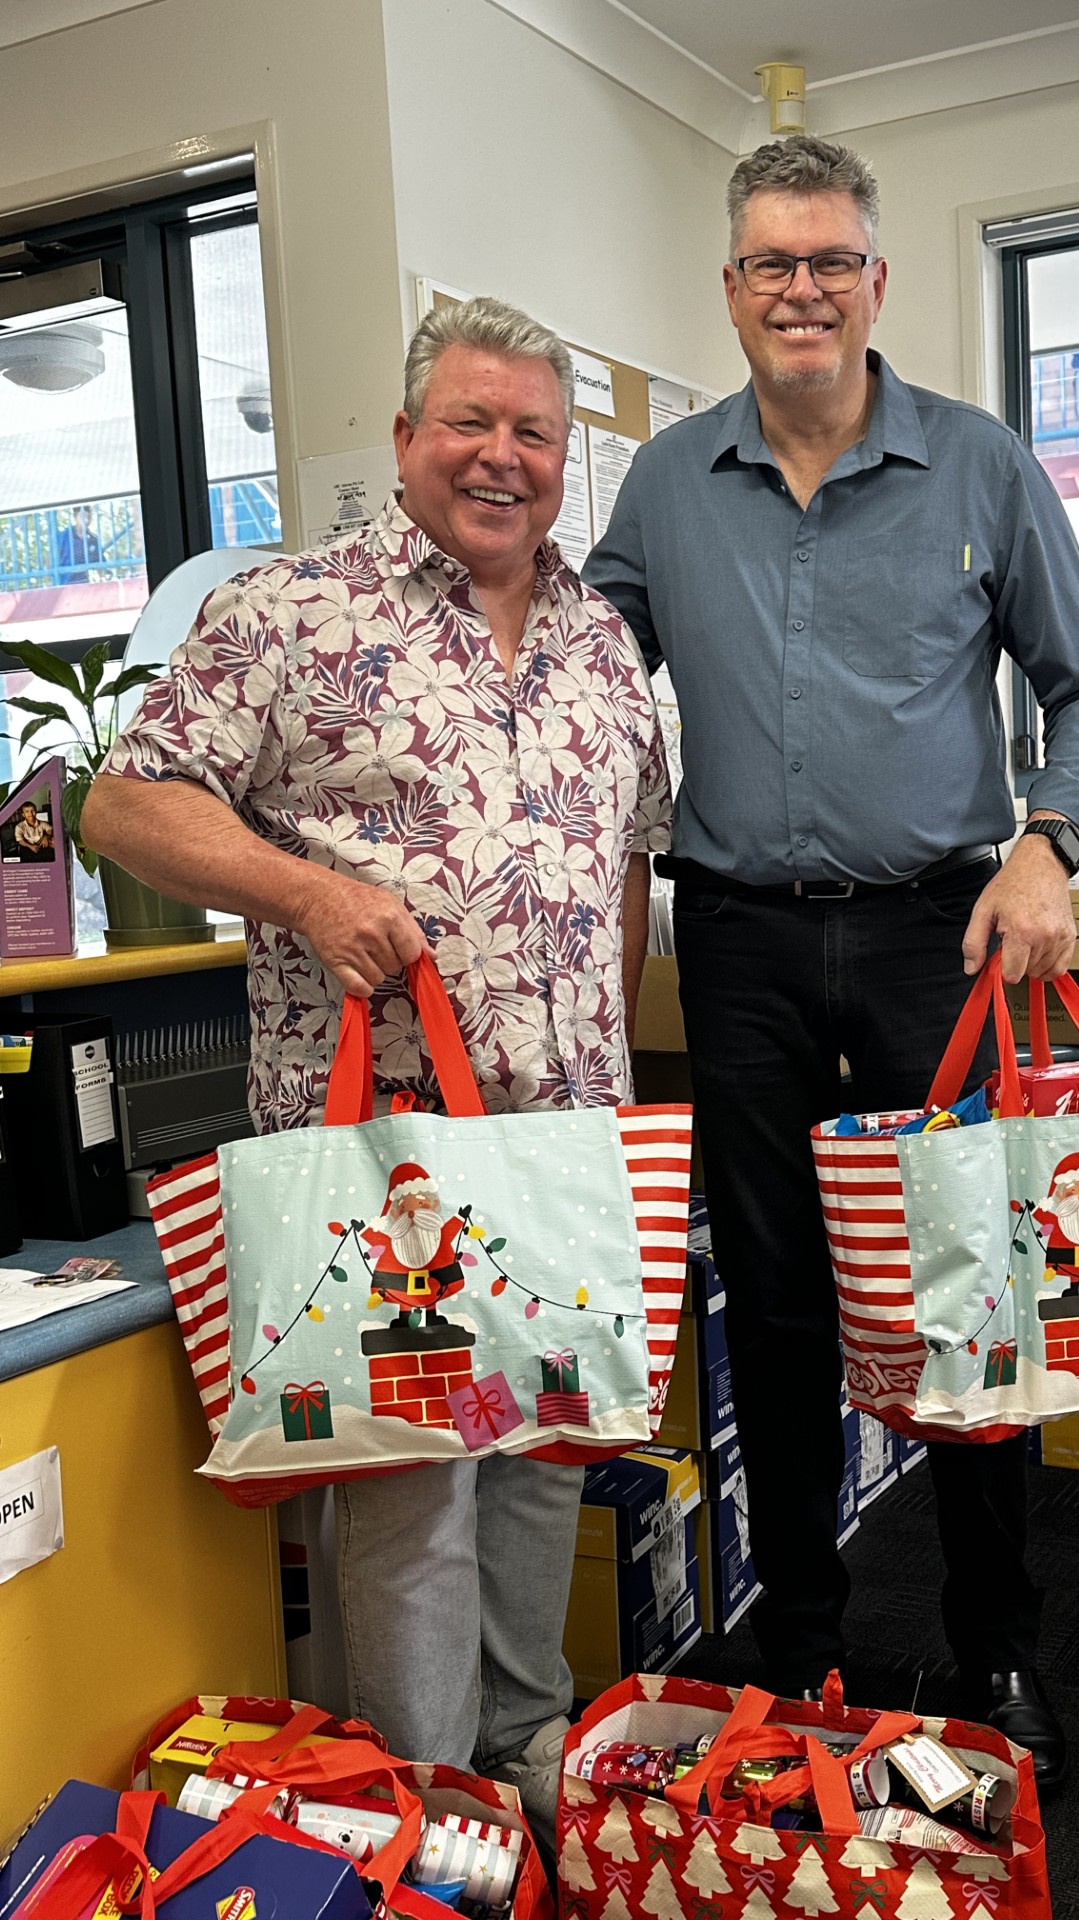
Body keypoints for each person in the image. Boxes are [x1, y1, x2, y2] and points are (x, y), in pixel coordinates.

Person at [82, 294, 672, 1851]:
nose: (501, 456)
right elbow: (125, 806)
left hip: (566, 1138)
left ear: (566, 461)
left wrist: (598, 1039)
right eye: (469, 423)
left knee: (545, 1448)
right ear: (407, 440)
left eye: (533, 433)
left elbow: (623, 864)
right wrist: (309, 895)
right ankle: (422, 1810)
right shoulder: (293, 613)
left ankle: (527, 1743)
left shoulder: (607, 638)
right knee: (415, 1480)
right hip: (380, 1152)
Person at [584, 134, 1079, 1789]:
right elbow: (583, 687)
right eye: (771, 262)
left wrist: (1051, 840)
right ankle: (802, 1642)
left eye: (831, 259)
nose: (802, 288)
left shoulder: (981, 467)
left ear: (876, 282)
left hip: (936, 935)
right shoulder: (668, 488)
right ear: (733, 287)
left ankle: (997, 1641)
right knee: (773, 1302)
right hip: (739, 939)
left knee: (966, 1298)